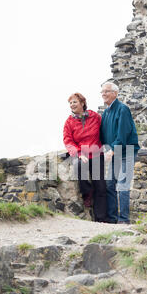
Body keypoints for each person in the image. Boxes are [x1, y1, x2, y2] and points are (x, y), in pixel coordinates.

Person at [63, 92, 107, 222]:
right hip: (81, 153)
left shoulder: (95, 116)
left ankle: (101, 219)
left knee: (101, 187)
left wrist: (109, 147)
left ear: (82, 103)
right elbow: (68, 141)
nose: (72, 105)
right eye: (70, 103)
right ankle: (87, 192)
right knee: (78, 165)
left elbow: (104, 131)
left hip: (97, 153)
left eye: (75, 102)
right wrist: (78, 153)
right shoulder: (69, 122)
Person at [100, 82, 140, 224]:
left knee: (123, 185)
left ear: (115, 93)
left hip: (126, 152)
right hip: (114, 153)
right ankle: (112, 219)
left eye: (107, 91)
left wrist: (111, 151)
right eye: (102, 92)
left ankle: (124, 220)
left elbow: (122, 135)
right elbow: (103, 136)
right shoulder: (105, 113)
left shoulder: (123, 109)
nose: (103, 94)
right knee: (110, 184)